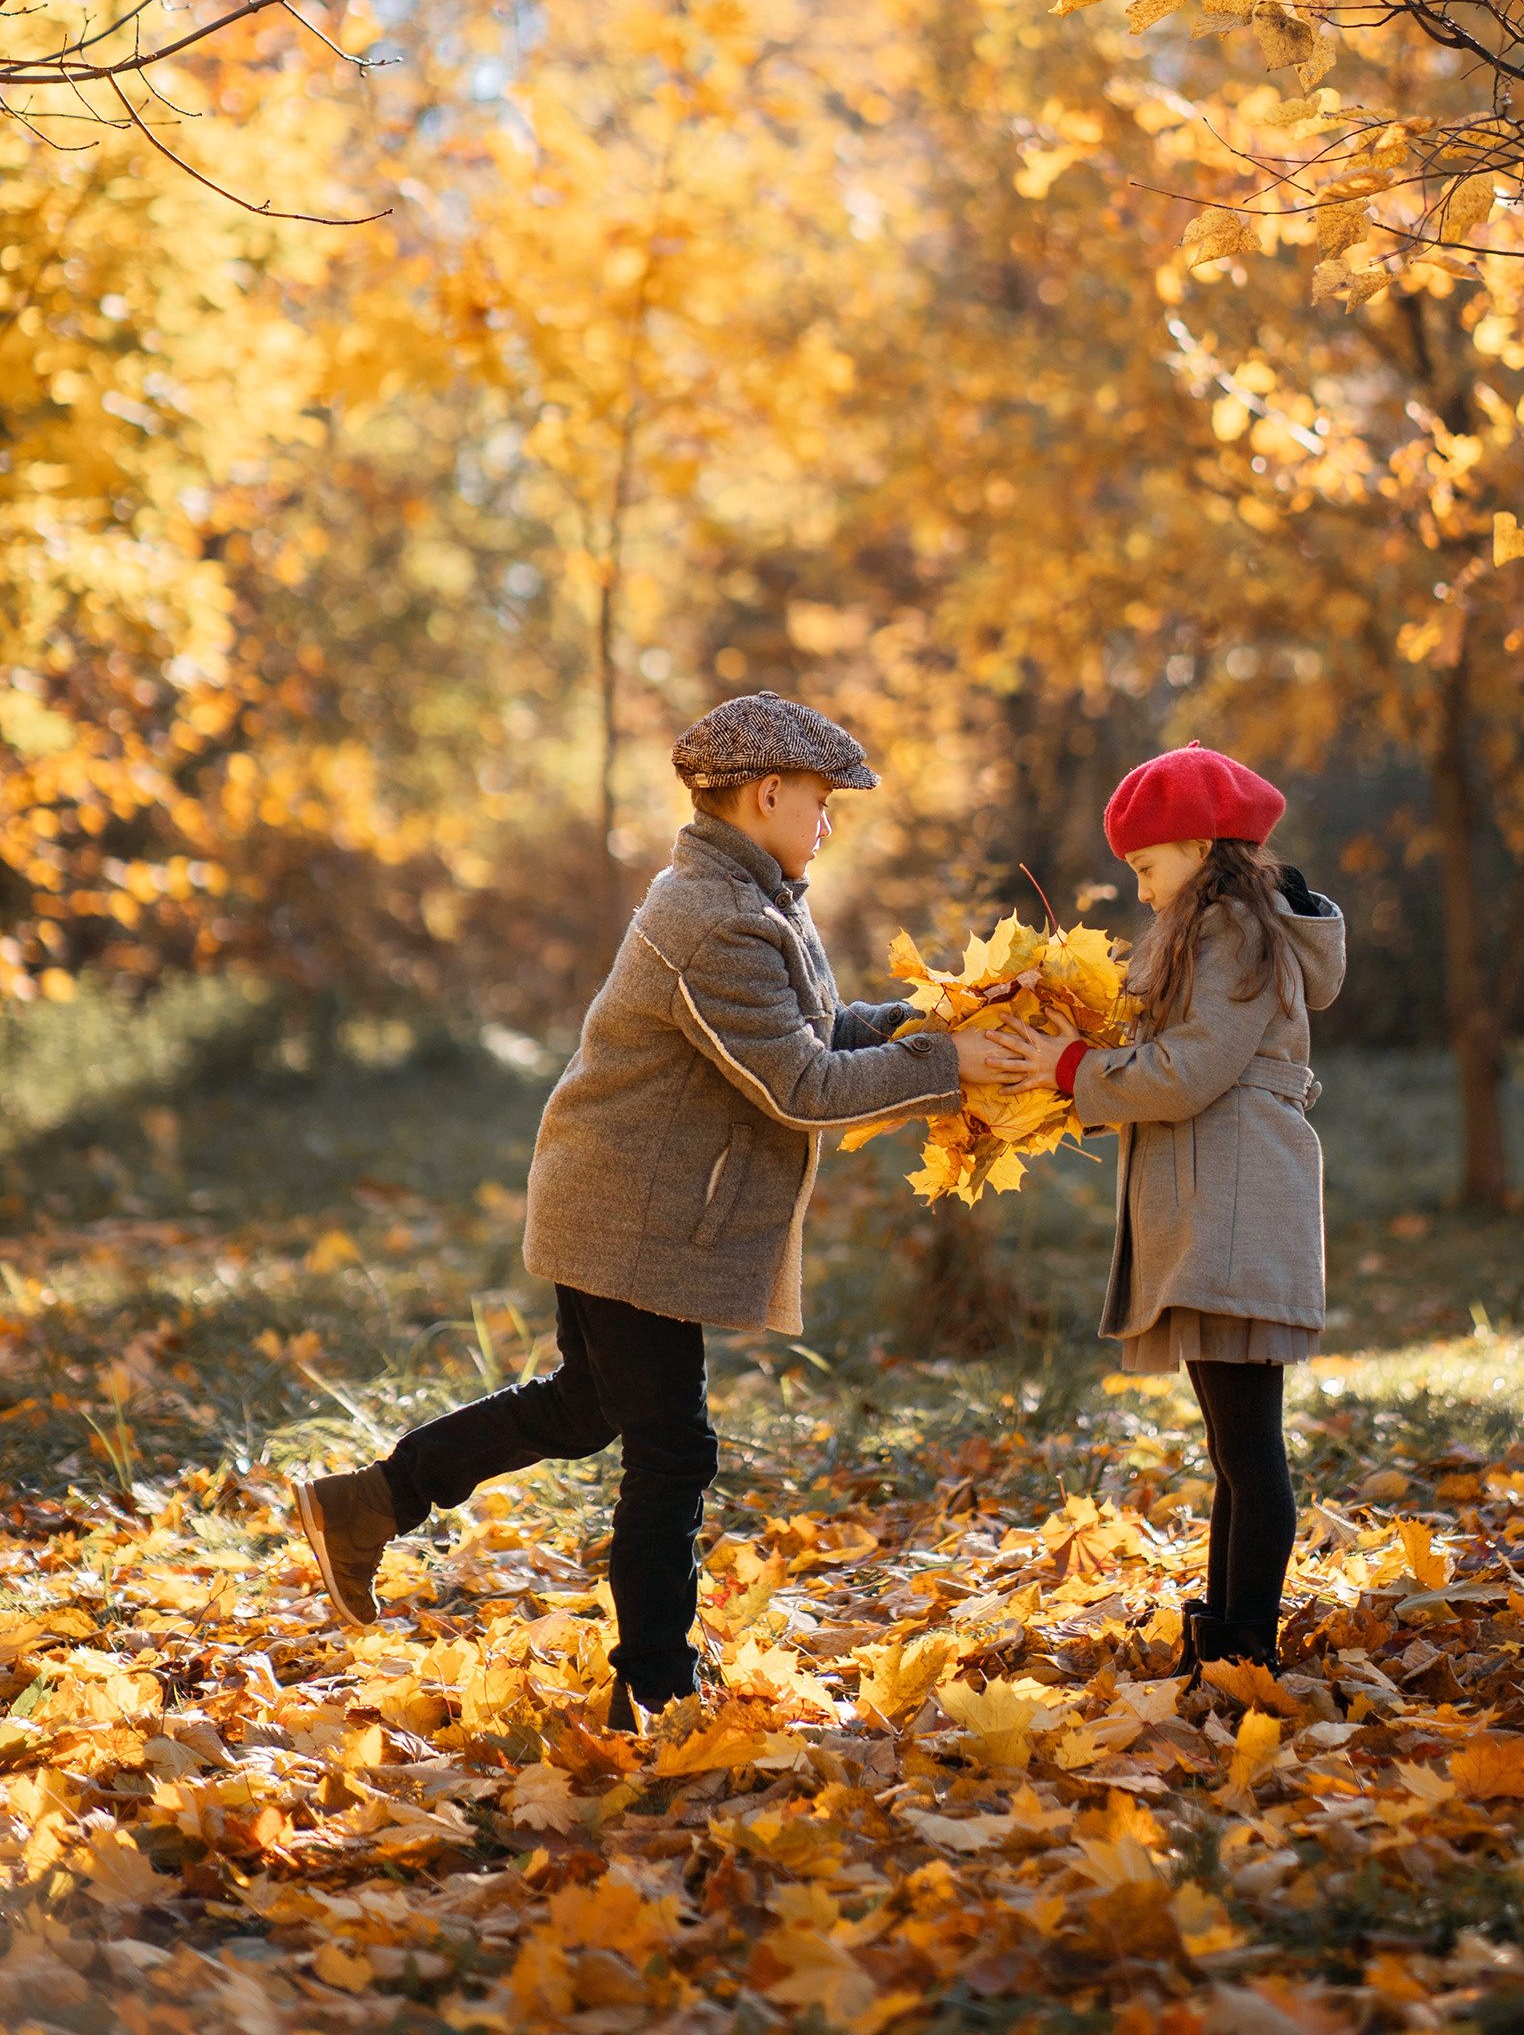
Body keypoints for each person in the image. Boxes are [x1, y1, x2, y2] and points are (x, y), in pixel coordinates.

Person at [291, 691, 1024, 1728]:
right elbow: (799, 1088)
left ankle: (369, 1502)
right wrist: (945, 1067)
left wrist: (919, 1025)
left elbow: (810, 1031)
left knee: (587, 1407)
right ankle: (656, 1687)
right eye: (821, 803)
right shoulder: (714, 916)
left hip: (625, 1194)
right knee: (672, 1449)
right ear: (767, 793)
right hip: (628, 1210)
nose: (826, 824)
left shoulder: (754, 897)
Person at [1000, 742, 1344, 1673]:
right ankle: (1228, 1632)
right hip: (1216, 1200)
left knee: (1248, 1443)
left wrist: (1075, 1073)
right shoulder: (1215, 931)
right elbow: (1172, 1050)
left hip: (1236, 1203)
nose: (1144, 892)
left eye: (1148, 869)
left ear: (1199, 846)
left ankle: (1244, 1649)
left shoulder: (1233, 932)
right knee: (1235, 1445)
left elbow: (1192, 1070)